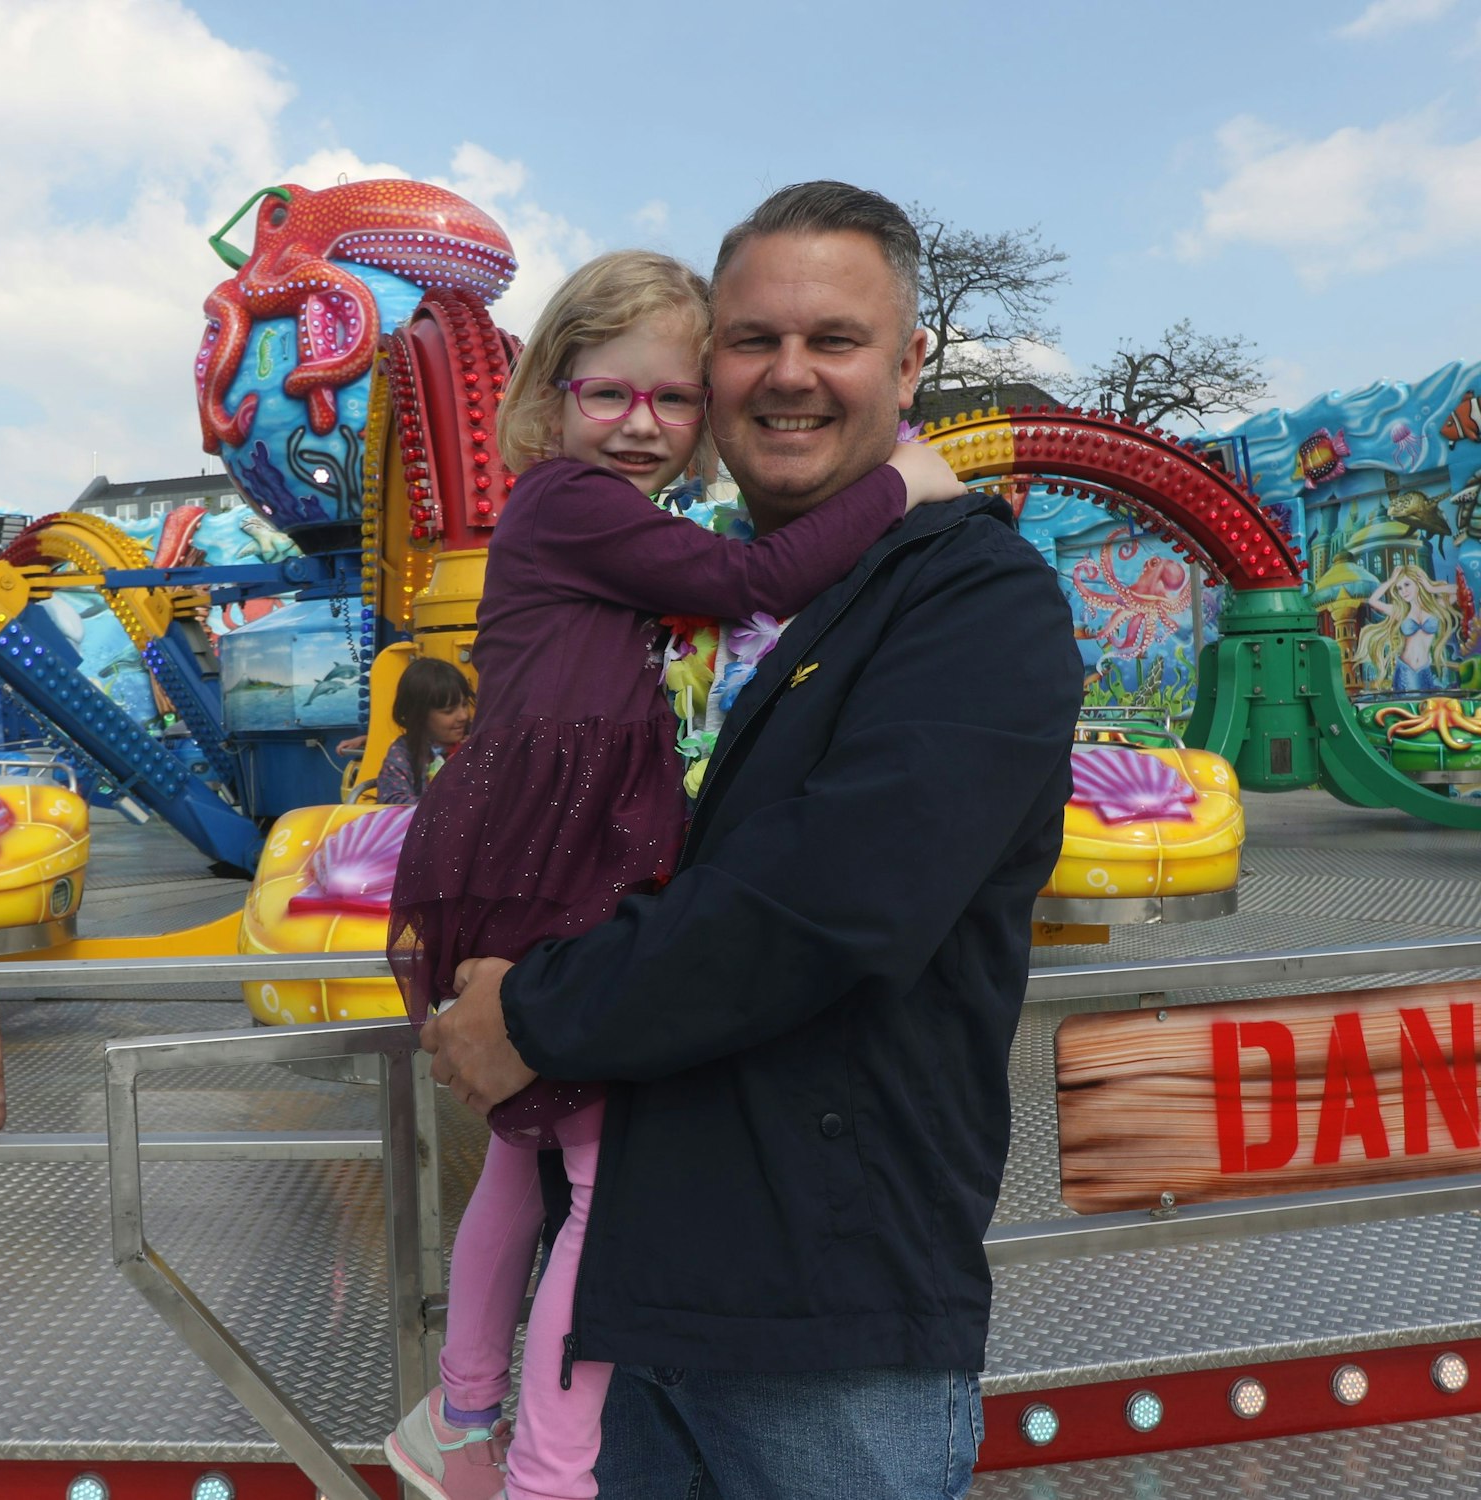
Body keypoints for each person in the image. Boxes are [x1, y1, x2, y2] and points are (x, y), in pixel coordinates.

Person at [421, 184, 1083, 1500]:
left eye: (835, 339)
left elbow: (828, 906)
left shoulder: (969, 597)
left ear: (909, 365)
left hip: (817, 1319)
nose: (789, 375)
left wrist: (536, 1016)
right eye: (752, 341)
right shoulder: (680, 588)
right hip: (632, 1296)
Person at [374, 658, 475, 806]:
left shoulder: (479, 740)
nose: (463, 716)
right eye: (448, 711)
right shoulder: (404, 752)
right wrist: (446, 809)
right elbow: (392, 803)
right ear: (419, 715)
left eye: (465, 705)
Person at [1358, 562, 1458, 694]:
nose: (1403, 591)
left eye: (1406, 584)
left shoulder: (1435, 607)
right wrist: (1391, 580)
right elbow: (1373, 601)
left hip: (1425, 669)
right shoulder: (1400, 611)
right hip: (1406, 671)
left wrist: (1431, 588)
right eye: (1399, 588)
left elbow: (1459, 590)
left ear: (1418, 582)